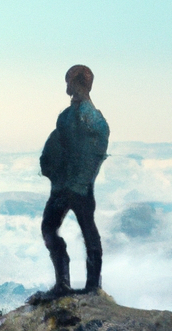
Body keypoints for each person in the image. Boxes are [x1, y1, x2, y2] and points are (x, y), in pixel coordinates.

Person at [33, 64, 110, 301]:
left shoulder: (91, 119)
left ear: (77, 83)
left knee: (86, 234)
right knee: (57, 229)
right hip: (70, 186)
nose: (66, 86)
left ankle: (85, 287)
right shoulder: (72, 117)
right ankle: (71, 285)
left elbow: (94, 154)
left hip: (75, 187)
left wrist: (76, 179)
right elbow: (58, 146)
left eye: (68, 81)